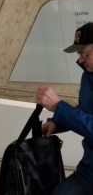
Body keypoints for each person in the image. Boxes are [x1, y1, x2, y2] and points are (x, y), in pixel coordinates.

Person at [37, 22, 93, 194]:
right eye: (79, 54)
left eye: (85, 53)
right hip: (88, 172)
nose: (81, 60)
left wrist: (59, 107)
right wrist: (56, 123)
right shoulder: (88, 77)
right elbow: (85, 111)